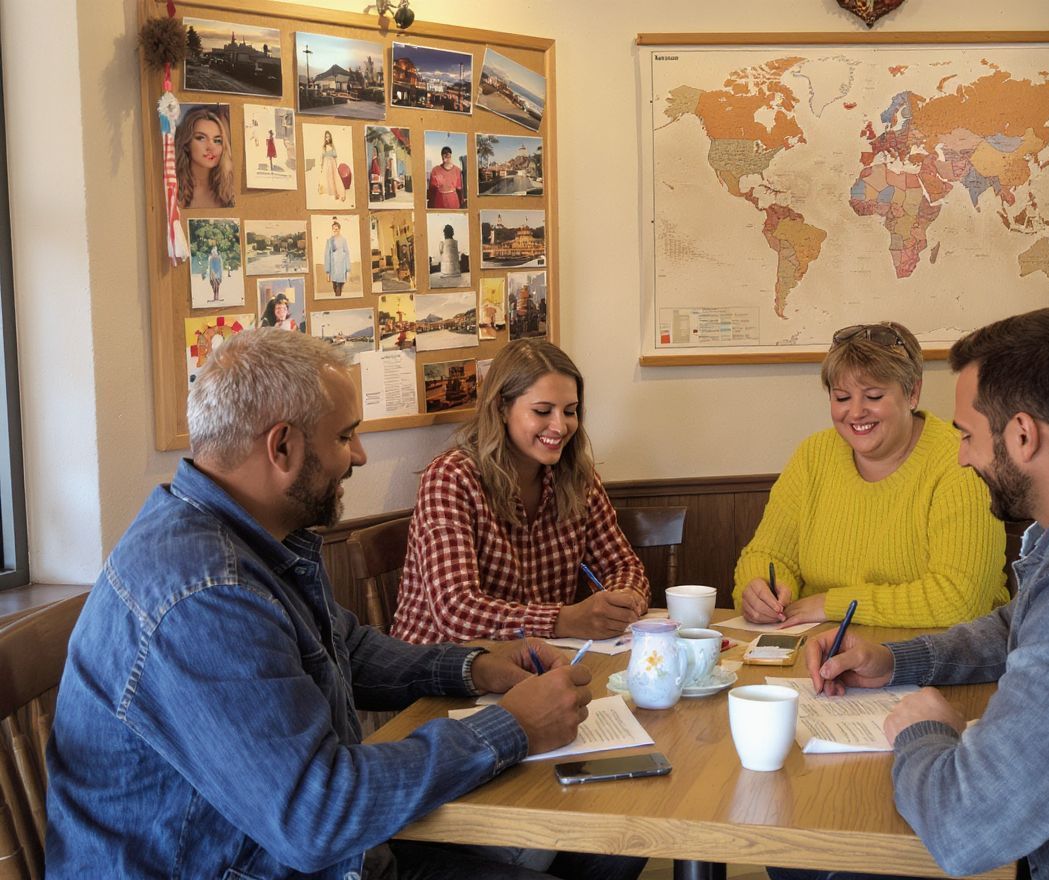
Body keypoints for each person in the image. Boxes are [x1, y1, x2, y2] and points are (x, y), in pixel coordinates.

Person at [45, 329, 645, 880]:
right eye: (344, 436)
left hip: (298, 851)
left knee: (610, 852)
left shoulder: (238, 538)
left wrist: (475, 667)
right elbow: (317, 813)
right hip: (268, 861)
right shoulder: (206, 596)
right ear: (282, 447)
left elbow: (346, 647)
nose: (359, 455)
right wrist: (512, 726)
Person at [802, 307, 1049, 880]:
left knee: (825, 867)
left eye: (967, 435)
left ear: (1023, 436)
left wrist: (923, 730)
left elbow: (964, 826)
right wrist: (895, 660)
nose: (960, 455)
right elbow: (1019, 624)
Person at [734, 321, 1007, 629]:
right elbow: (768, 554)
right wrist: (762, 591)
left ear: (912, 392)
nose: (855, 412)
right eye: (842, 397)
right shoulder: (813, 456)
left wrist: (831, 605)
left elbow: (959, 599)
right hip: (816, 644)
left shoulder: (961, 461)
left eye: (874, 396)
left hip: (938, 652)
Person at [394, 339, 650, 644]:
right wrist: (564, 619)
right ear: (502, 408)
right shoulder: (451, 478)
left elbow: (623, 566)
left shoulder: (577, 479)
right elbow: (456, 610)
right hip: (439, 662)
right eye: (542, 411)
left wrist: (621, 602)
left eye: (570, 411)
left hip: (535, 658)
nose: (560, 426)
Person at [176, 106, 235, 209]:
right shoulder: (173, 188)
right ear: (186, 143)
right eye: (201, 138)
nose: (211, 147)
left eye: (217, 141)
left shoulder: (230, 191)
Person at [324, 218, 350, 296]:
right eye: (334, 229)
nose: (335, 231)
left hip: (342, 269)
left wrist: (348, 270)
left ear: (339, 229)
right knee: (335, 287)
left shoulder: (343, 240)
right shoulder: (330, 241)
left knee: (339, 287)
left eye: (337, 229)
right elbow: (327, 256)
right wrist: (327, 272)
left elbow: (347, 254)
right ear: (332, 230)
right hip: (333, 269)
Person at [319, 129, 346, 202]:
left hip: (332, 163)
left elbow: (335, 156)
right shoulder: (324, 146)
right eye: (326, 137)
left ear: (330, 137)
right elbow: (322, 157)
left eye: (328, 137)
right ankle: (333, 193)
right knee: (328, 178)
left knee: (335, 177)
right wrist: (321, 166)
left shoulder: (332, 146)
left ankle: (339, 193)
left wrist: (336, 165)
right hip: (326, 163)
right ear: (325, 138)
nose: (327, 138)